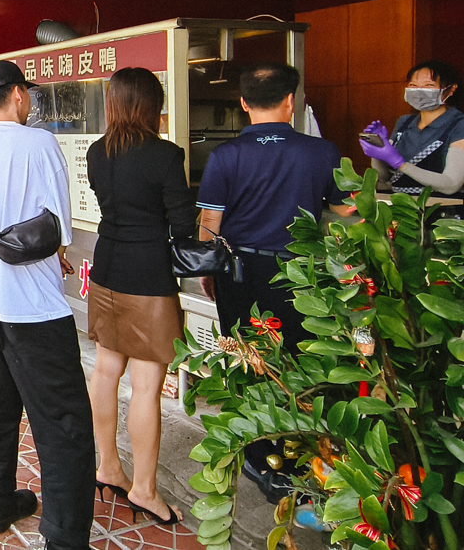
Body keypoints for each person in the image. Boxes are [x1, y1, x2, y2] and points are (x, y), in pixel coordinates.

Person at [196, 62, 354, 501]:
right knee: (302, 361)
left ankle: (264, 458)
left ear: (243, 103)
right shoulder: (323, 152)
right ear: (291, 101)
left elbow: (210, 222)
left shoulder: (225, 156)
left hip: (239, 273)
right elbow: (349, 216)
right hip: (301, 276)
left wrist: (211, 270)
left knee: (251, 360)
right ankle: (308, 457)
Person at [0, 60, 94, 550]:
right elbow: (60, 225)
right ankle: (64, 533)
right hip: (35, 309)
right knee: (64, 422)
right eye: (28, 93)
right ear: (18, 95)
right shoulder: (39, 143)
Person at [85, 68, 195, 525]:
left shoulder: (97, 152)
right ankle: (145, 490)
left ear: (113, 103)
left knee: (107, 371)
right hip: (149, 276)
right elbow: (185, 225)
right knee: (147, 387)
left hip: (107, 267)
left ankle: (108, 466)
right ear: (153, 105)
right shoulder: (166, 155)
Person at [360, 59, 464, 200]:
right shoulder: (404, 122)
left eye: (429, 85)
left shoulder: (459, 124)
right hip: (399, 207)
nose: (419, 91)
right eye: (413, 85)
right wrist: (378, 152)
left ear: (451, 89)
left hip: (439, 212)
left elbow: (451, 184)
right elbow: (384, 177)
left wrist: (401, 164)